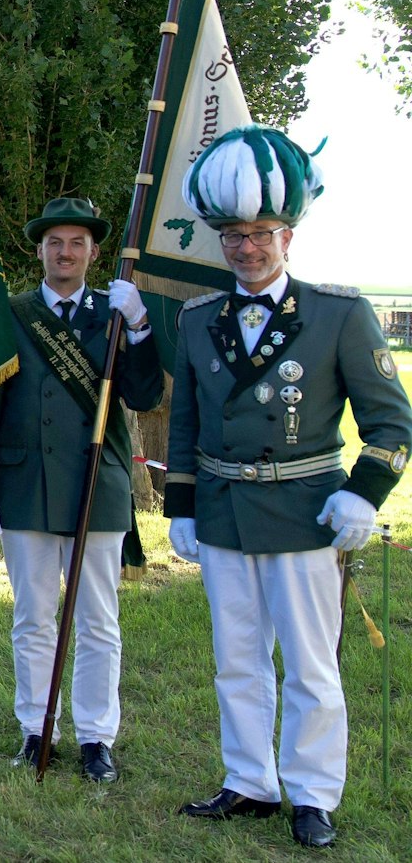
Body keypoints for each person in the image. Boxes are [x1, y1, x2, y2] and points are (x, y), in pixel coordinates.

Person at [165, 126, 410, 849]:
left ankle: (312, 793)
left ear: (288, 236)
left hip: (305, 512)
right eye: (233, 236)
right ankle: (250, 780)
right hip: (223, 513)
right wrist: (182, 506)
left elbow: (392, 421)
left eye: (260, 234)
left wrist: (364, 493)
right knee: (236, 659)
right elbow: (187, 421)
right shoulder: (198, 319)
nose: (246, 248)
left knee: (309, 663)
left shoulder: (338, 313)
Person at [0, 197, 163, 782]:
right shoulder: (13, 314)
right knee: (33, 618)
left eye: (78, 242)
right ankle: (37, 730)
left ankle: (96, 737)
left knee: (98, 621)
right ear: (40, 251)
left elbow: (145, 395)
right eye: (55, 242)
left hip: (95, 486)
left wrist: (141, 328)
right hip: (25, 485)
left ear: (94, 253)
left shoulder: (115, 313)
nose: (66, 252)